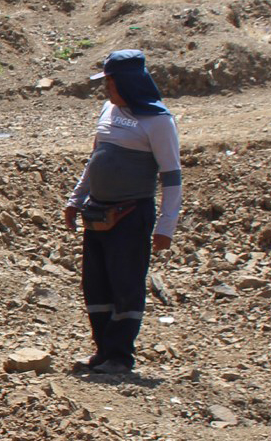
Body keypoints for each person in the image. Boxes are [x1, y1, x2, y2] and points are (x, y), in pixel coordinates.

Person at [63, 49, 182, 375]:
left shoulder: (158, 121)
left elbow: (171, 177)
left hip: (131, 215)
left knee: (125, 284)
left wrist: (165, 226)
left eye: (111, 82)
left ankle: (120, 356)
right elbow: (95, 160)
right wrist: (76, 199)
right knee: (96, 283)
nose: (106, 89)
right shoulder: (109, 111)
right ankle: (104, 350)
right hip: (98, 214)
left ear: (127, 83)